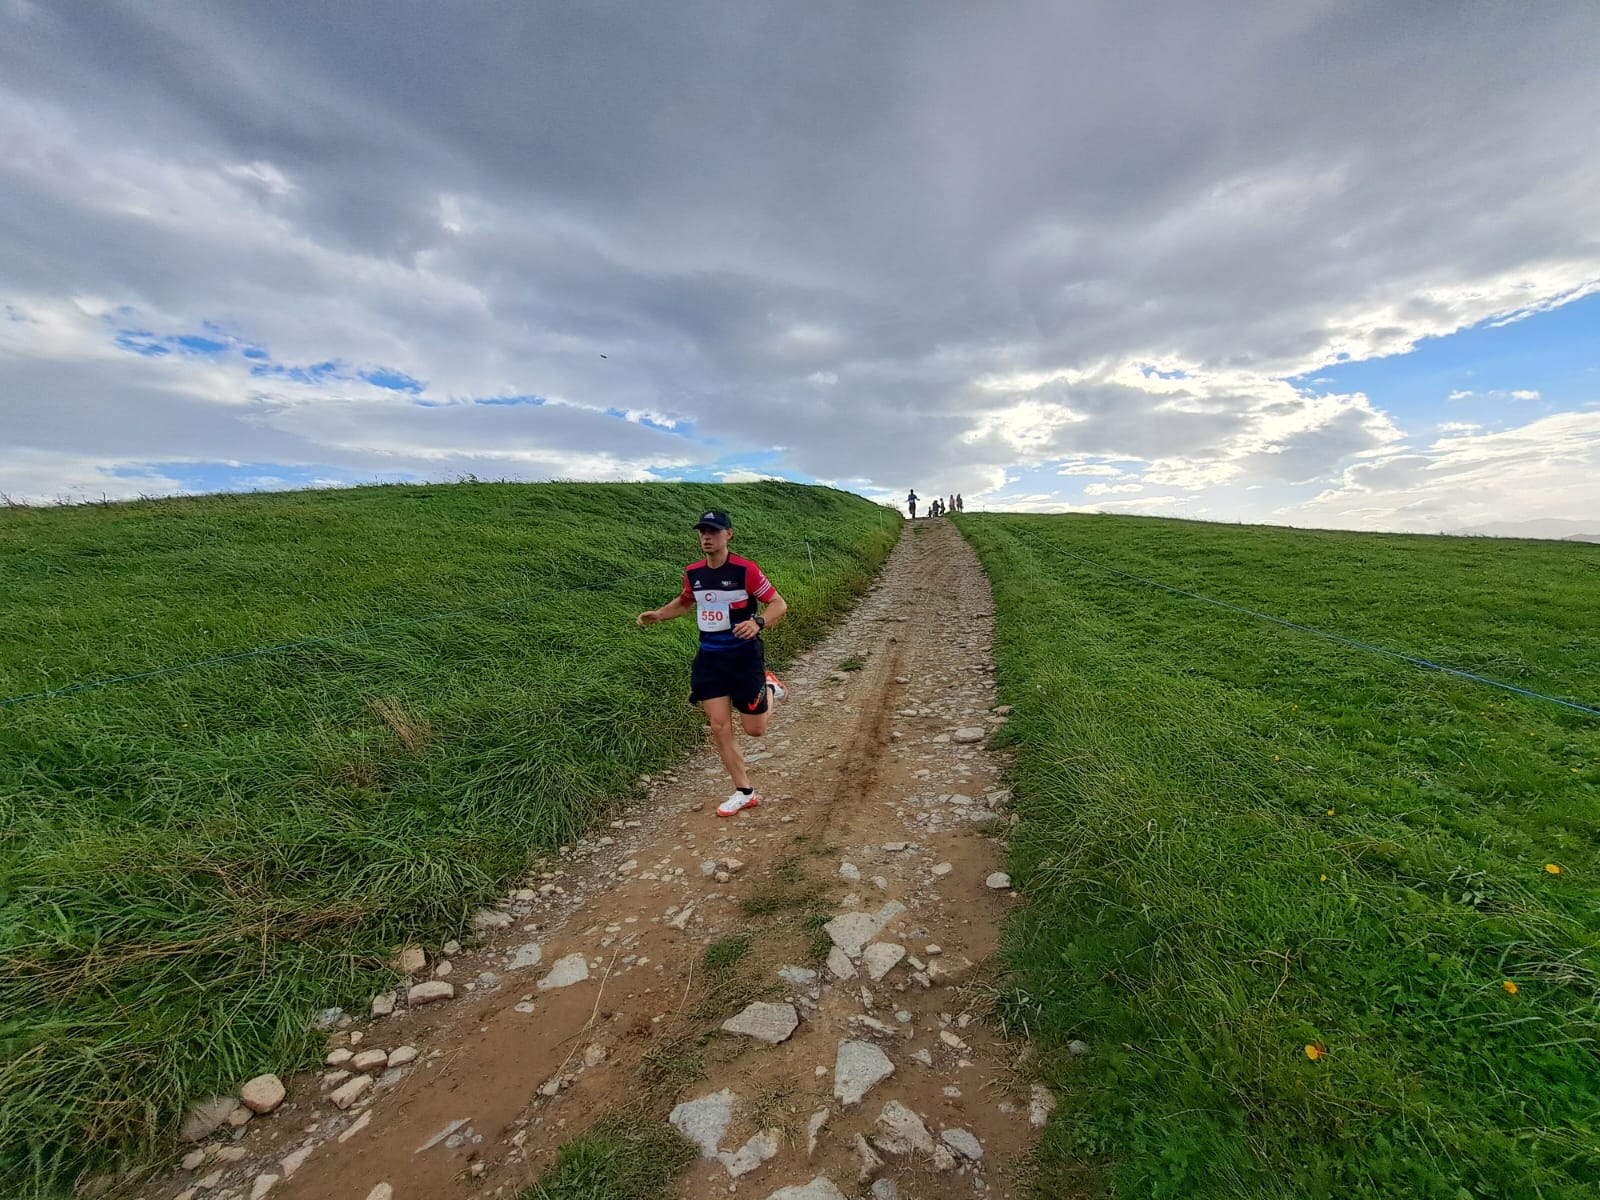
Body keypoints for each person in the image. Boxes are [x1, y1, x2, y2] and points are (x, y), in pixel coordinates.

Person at [636, 509, 789, 817]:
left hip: (744, 656)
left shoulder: (746, 570)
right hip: (710, 657)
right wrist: (659, 614)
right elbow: (685, 601)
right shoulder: (694, 572)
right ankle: (744, 791)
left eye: (713, 531)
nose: (706, 537)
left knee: (755, 730)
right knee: (719, 727)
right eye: (703, 532)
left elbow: (778, 604)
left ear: (728, 535)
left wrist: (758, 621)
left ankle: (770, 686)